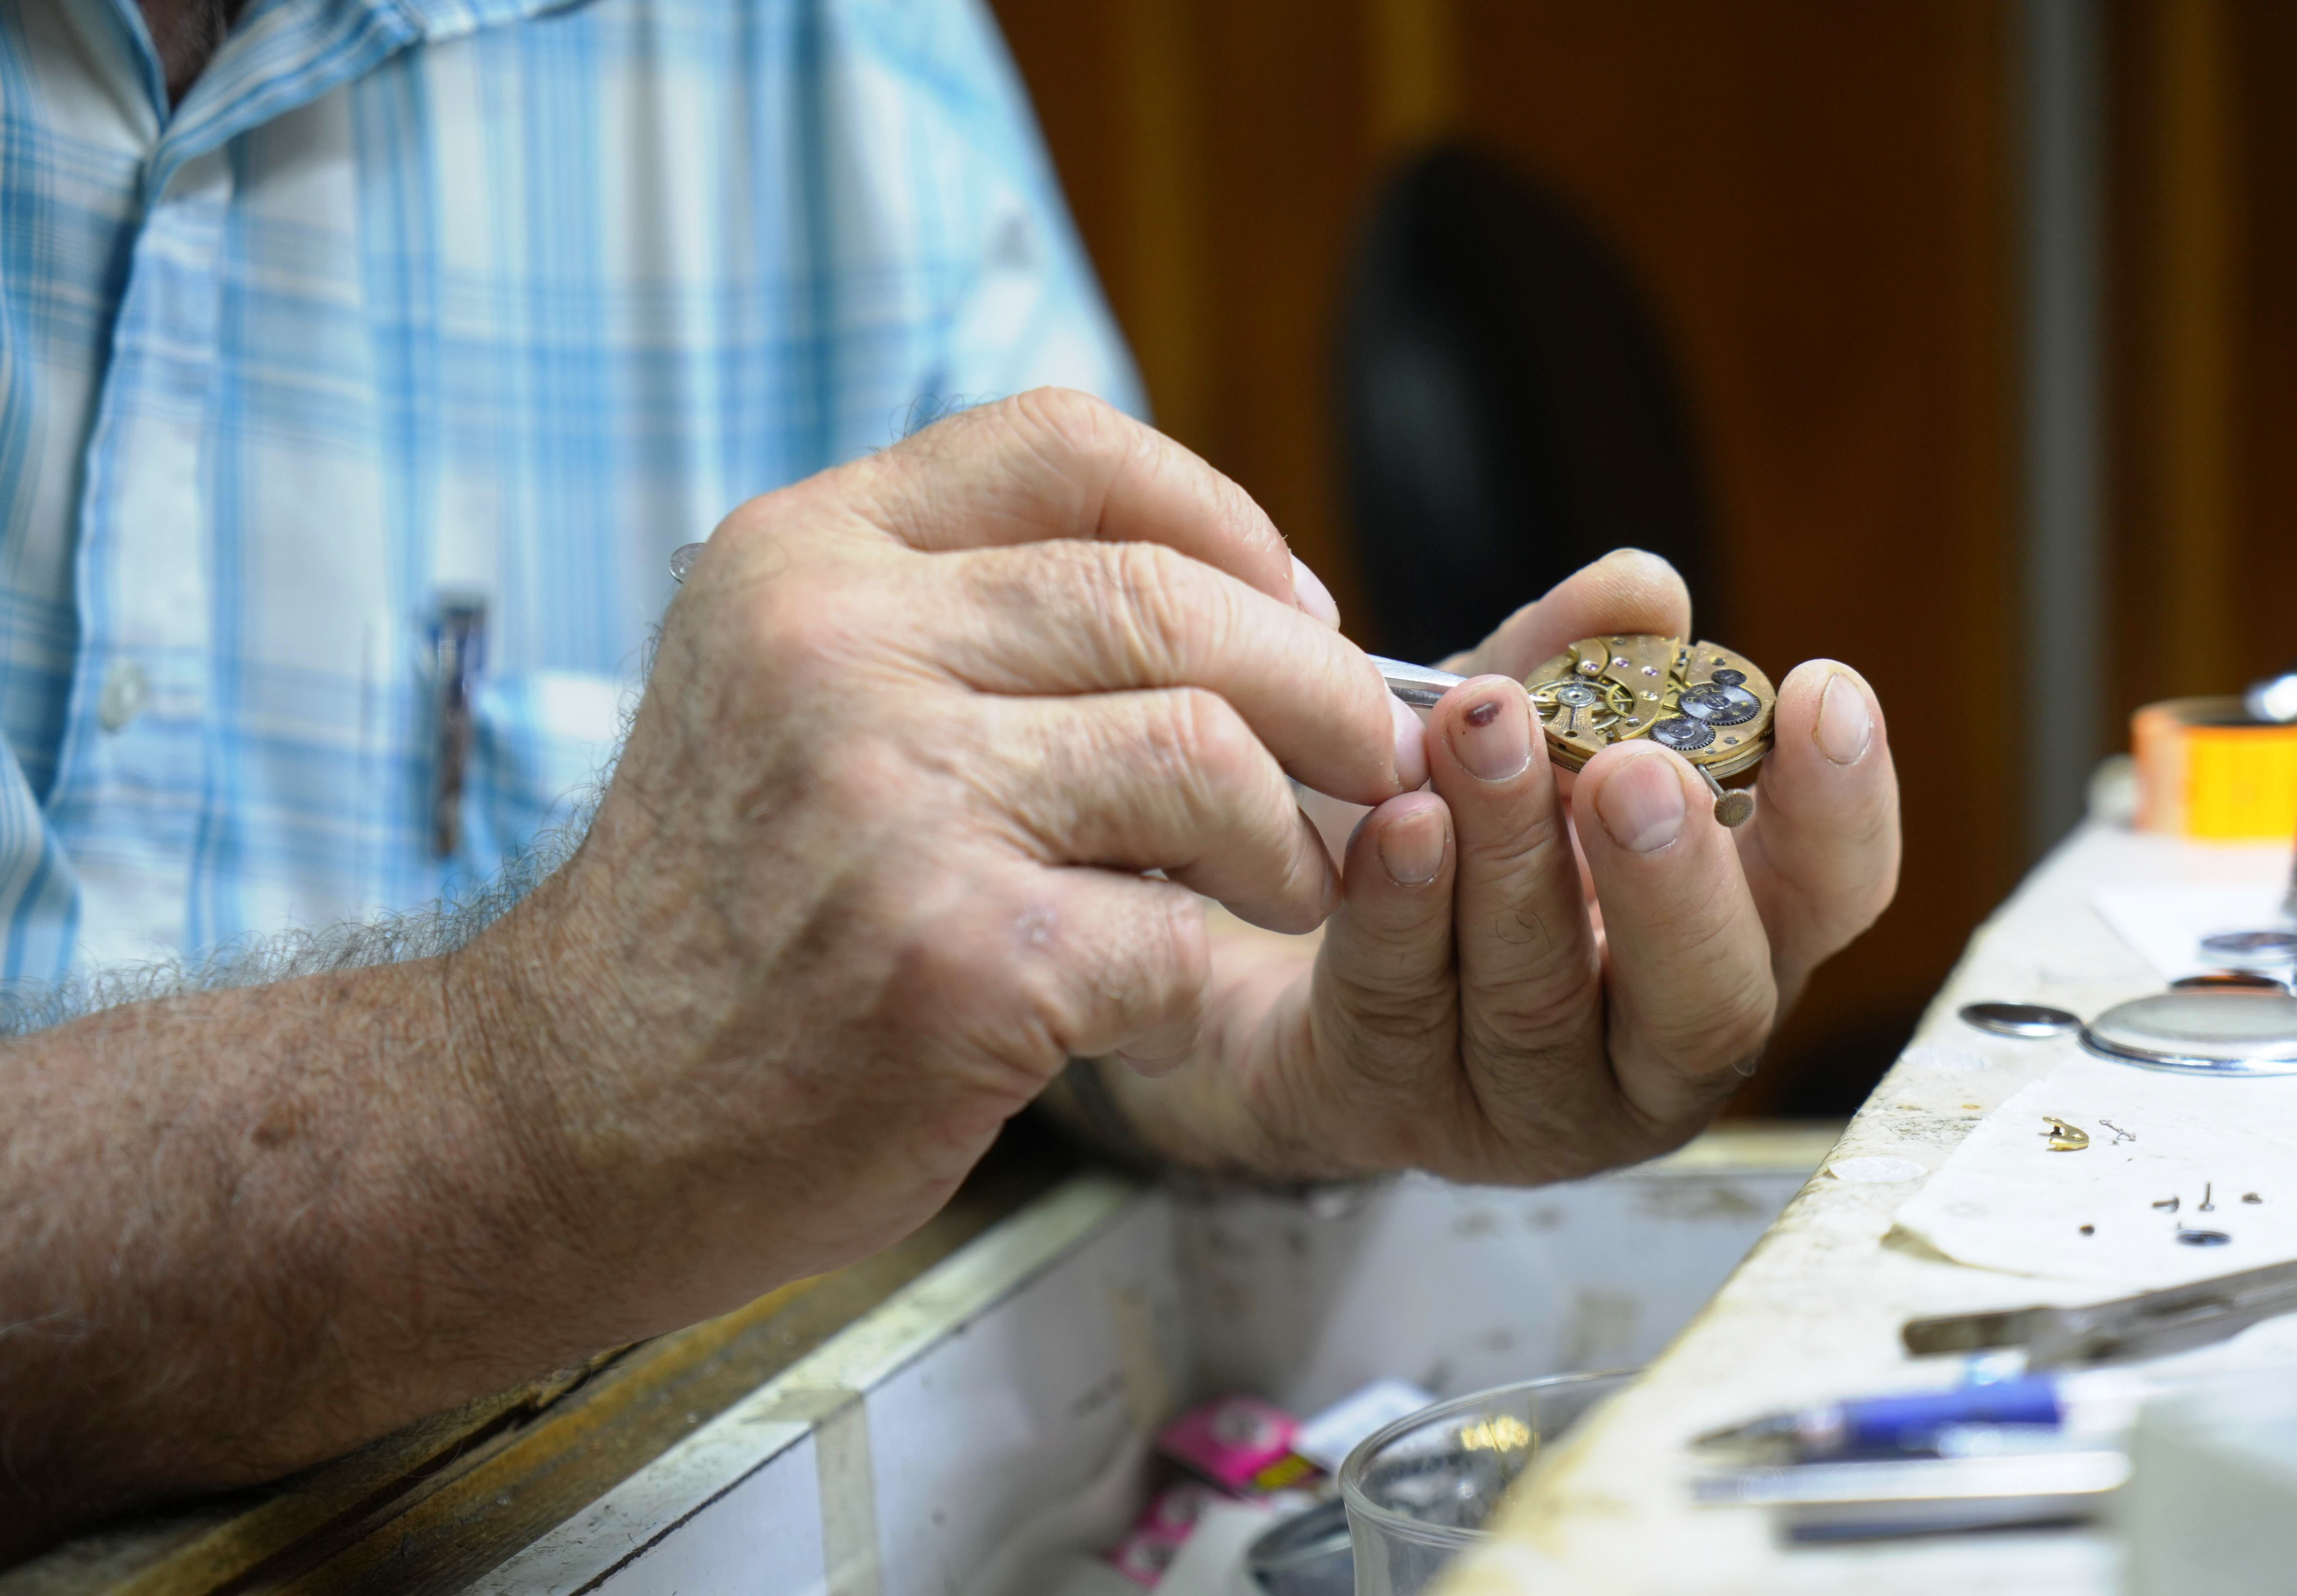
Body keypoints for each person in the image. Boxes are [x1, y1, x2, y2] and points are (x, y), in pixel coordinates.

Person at [0, 0, 1901, 1562]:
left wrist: (1254, 1015)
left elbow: (1076, 873)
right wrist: (537, 1090)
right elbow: (634, 1045)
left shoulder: (834, 50)